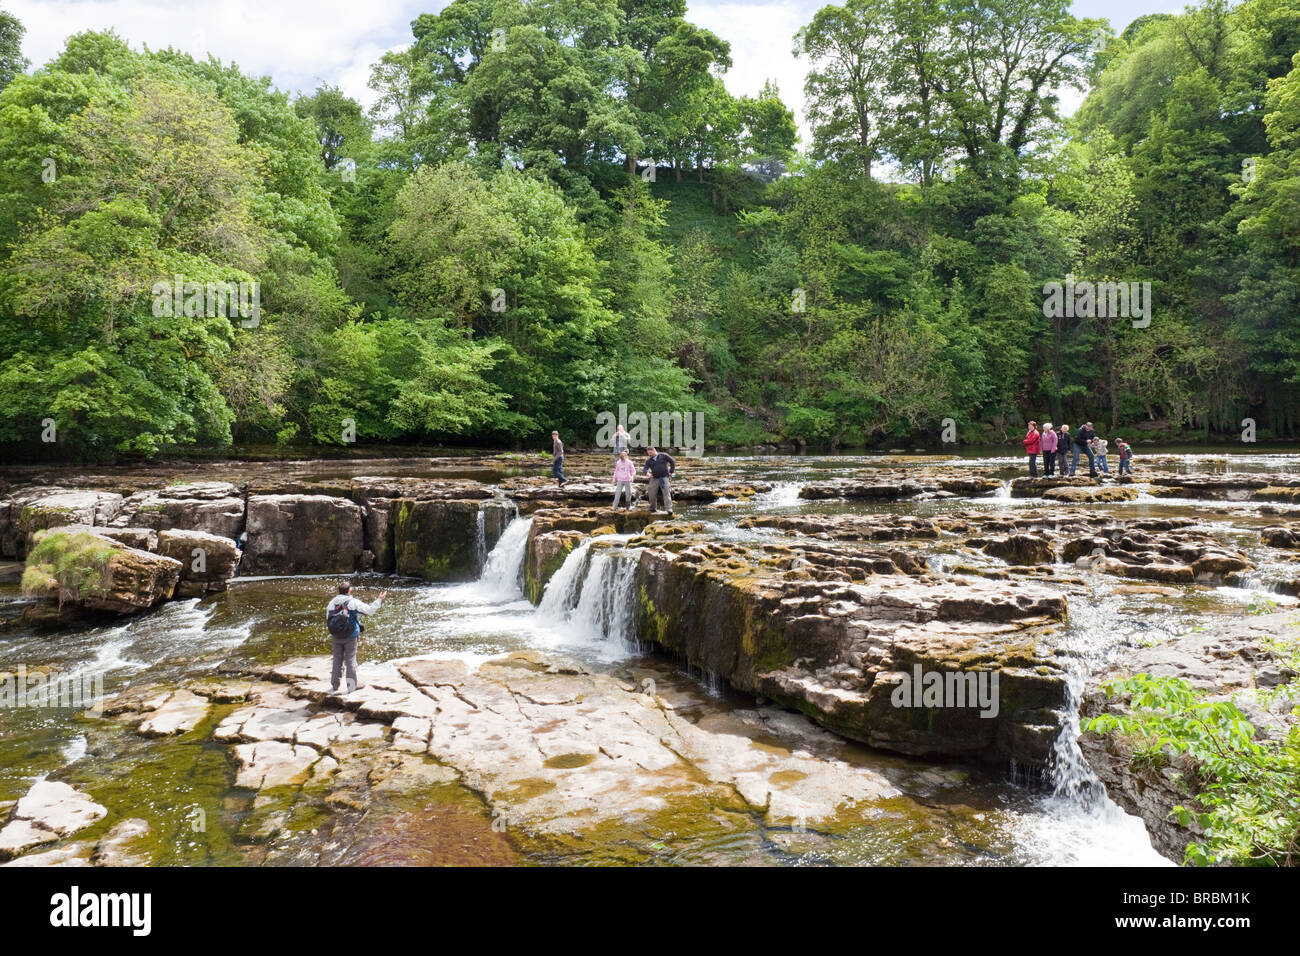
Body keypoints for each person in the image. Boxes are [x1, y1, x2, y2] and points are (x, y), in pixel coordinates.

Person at [325, 582, 388, 694]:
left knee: (337, 659)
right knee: (350, 660)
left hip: (336, 636)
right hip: (351, 636)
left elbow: (328, 620)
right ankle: (351, 686)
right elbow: (370, 611)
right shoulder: (353, 602)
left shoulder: (331, 603)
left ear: (339, 591)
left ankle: (335, 686)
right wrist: (379, 599)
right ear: (349, 591)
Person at [644, 446, 676, 515]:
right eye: (648, 453)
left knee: (666, 493)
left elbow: (672, 461)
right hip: (654, 478)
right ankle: (652, 508)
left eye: (650, 453)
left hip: (664, 477)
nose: (649, 454)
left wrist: (671, 471)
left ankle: (669, 509)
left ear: (654, 450)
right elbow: (645, 468)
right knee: (651, 493)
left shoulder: (663, 455)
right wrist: (647, 473)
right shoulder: (649, 460)